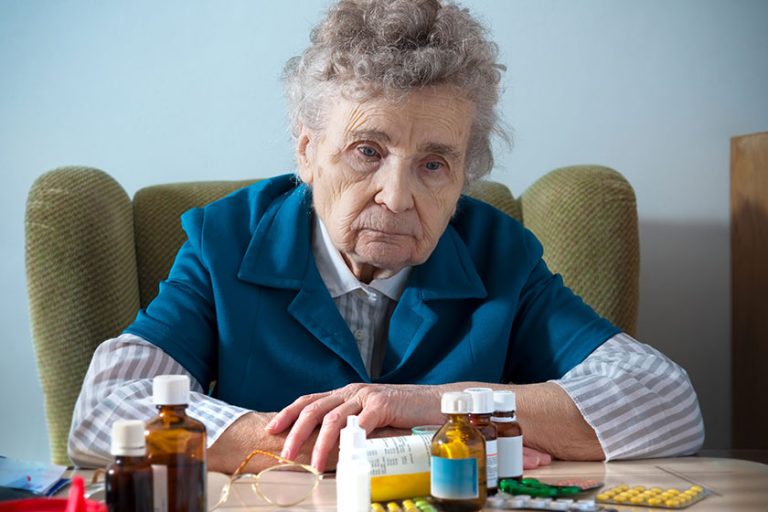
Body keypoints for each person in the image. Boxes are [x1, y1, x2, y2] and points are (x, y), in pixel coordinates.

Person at [69, 0, 704, 473]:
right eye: (367, 151)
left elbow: (666, 403)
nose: (397, 198)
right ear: (308, 150)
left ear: (463, 175)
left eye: (433, 164)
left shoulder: (500, 254)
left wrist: (428, 409)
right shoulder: (225, 240)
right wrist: (388, 447)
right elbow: (102, 412)